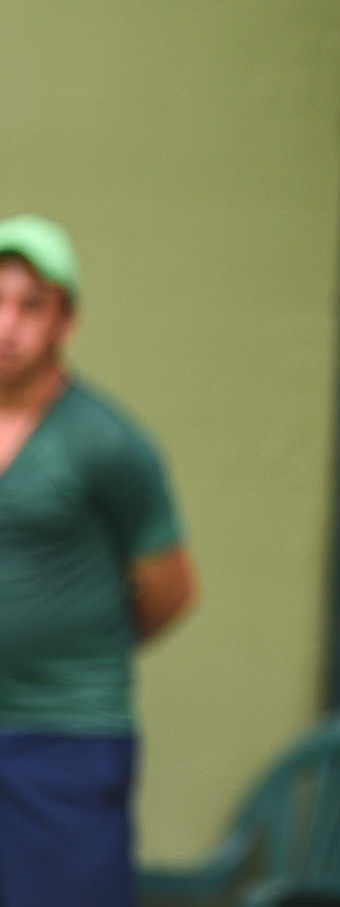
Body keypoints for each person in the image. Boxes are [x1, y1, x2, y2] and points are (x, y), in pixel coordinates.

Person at [0, 214, 196, 907]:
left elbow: (170, 589)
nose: (8, 325)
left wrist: (69, 647)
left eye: (32, 306)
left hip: (66, 739)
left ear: (66, 322)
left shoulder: (106, 444)